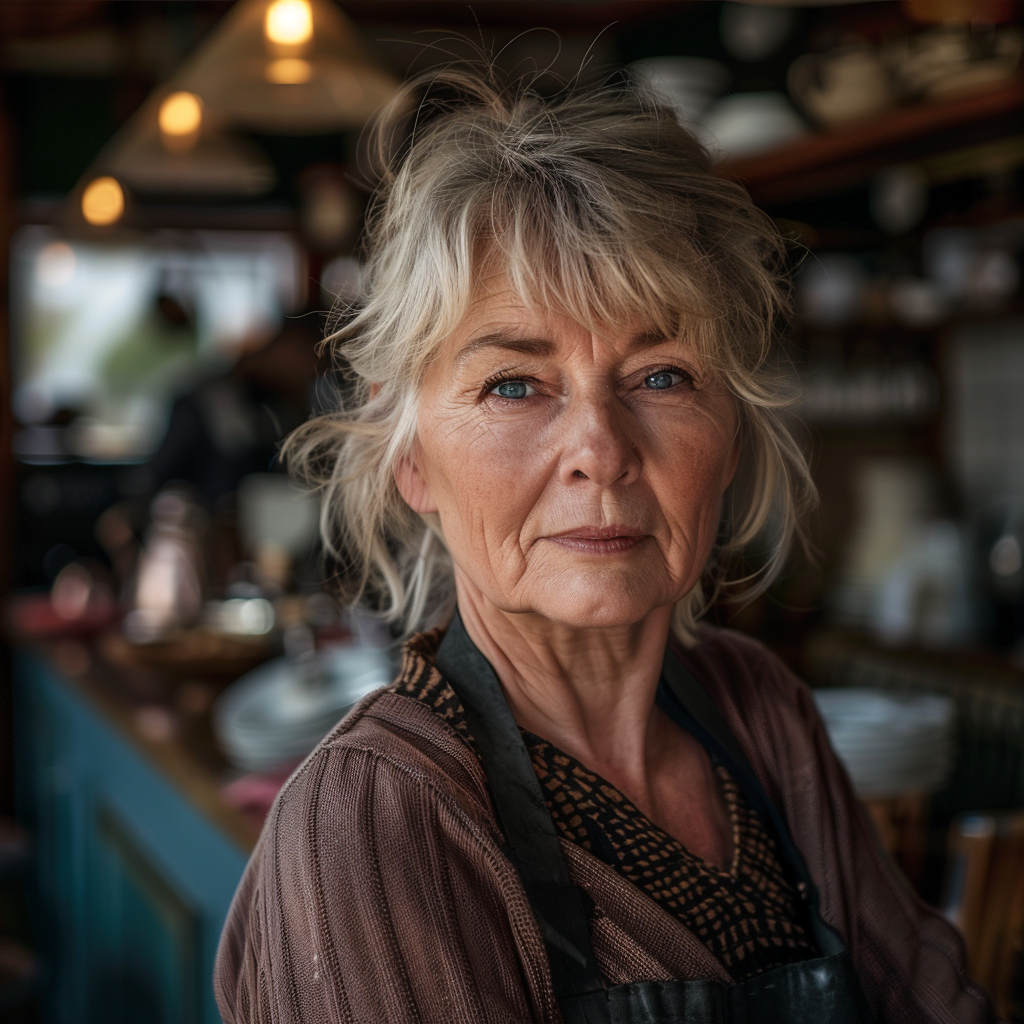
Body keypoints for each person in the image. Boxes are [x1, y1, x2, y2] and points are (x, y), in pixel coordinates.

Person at [214, 65, 993, 1024]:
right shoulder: (371, 827)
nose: (603, 451)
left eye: (662, 376)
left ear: (731, 432)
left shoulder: (760, 714)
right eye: (513, 384)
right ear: (411, 459)